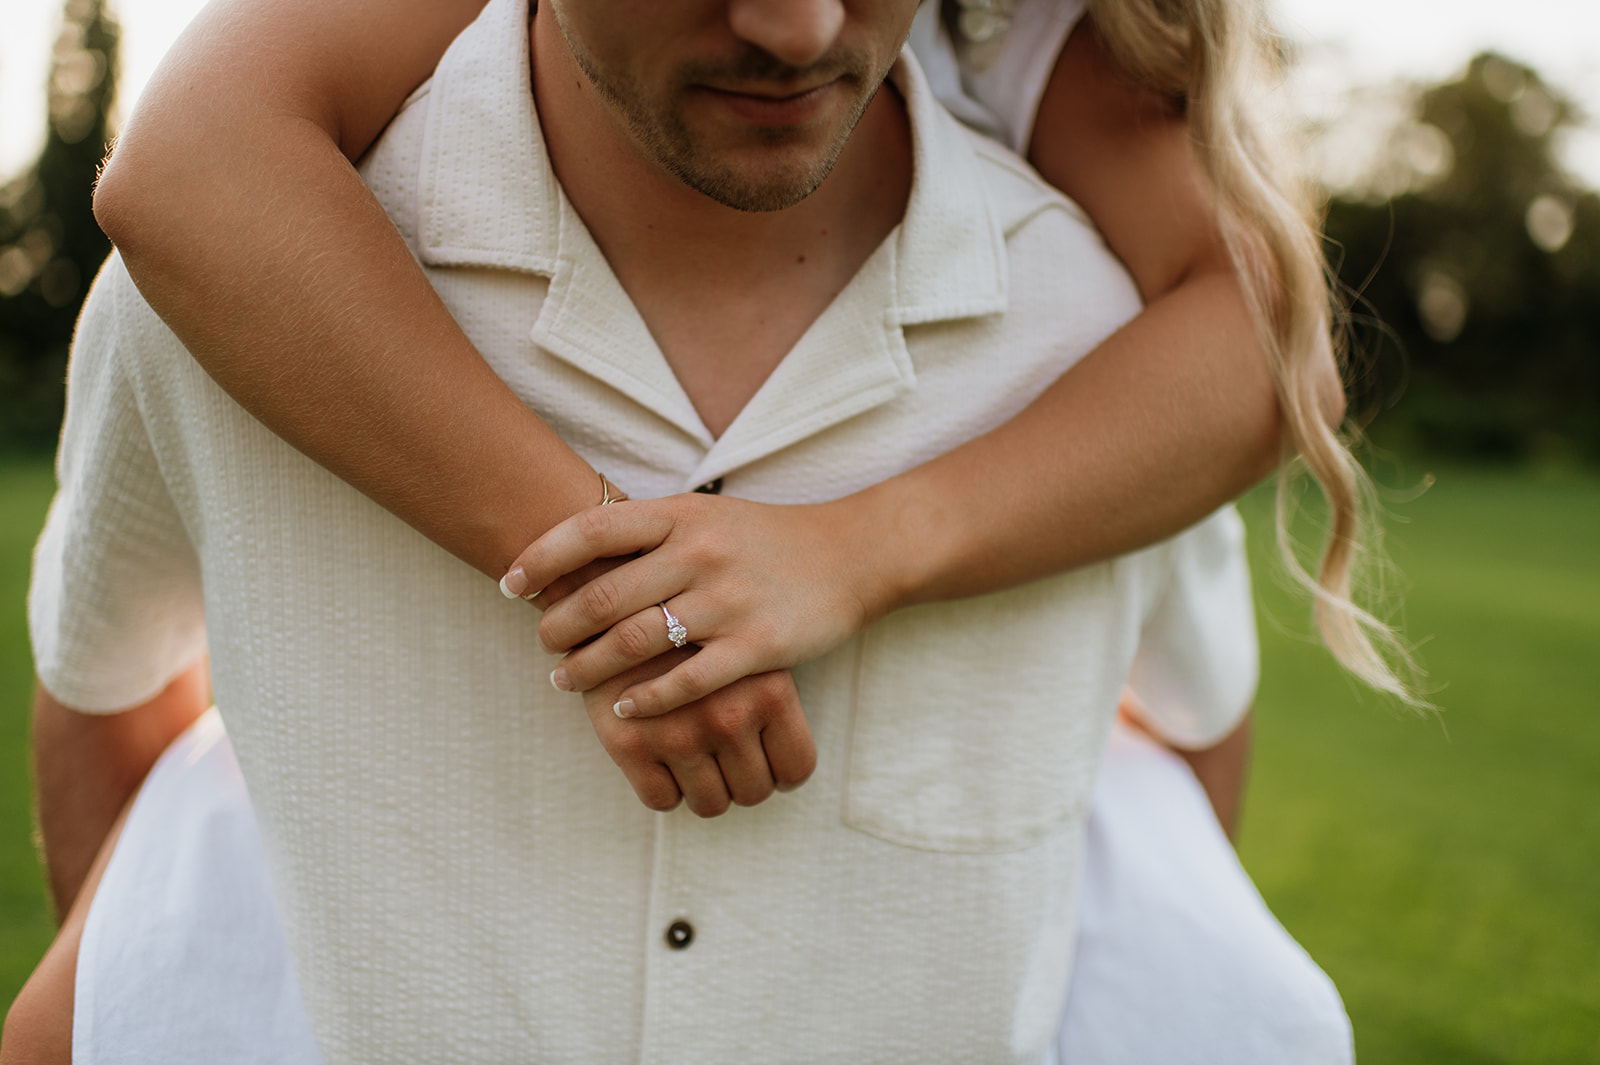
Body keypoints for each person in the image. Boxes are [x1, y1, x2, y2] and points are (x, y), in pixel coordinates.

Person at [6, 0, 1391, 1061]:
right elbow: (110, 696)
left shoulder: (1097, 354)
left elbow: (1184, 746)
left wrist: (858, 551)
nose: (793, 27)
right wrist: (623, 587)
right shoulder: (222, 306)